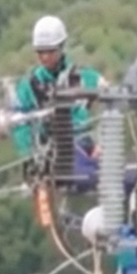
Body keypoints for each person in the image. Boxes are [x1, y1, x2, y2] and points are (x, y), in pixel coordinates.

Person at [11, 15, 103, 190]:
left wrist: (103, 143)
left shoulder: (86, 77)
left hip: (82, 147)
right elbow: (19, 124)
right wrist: (28, 158)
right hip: (47, 154)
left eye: (50, 51)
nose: (45, 57)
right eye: (40, 52)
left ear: (61, 48)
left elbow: (113, 105)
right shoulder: (28, 86)